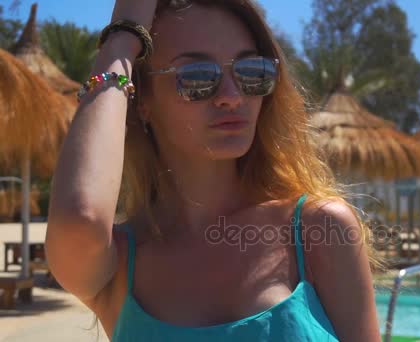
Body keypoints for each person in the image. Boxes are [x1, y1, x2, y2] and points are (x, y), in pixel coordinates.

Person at [46, 0, 381, 340]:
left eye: (252, 71)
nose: (232, 96)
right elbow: (80, 218)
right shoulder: (120, 260)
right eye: (196, 77)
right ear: (142, 100)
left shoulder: (316, 229)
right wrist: (123, 36)